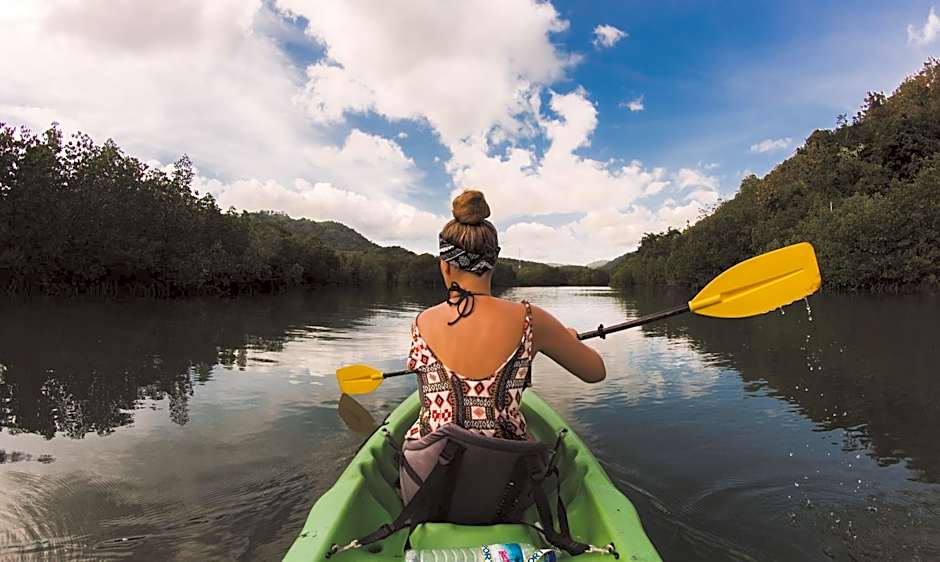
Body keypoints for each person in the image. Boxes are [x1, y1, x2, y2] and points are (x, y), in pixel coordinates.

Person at [404, 189, 605, 442]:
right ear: (493, 263)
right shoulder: (532, 320)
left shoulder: (421, 323)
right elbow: (595, 372)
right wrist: (566, 339)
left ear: (445, 266)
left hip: (430, 462)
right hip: (506, 464)